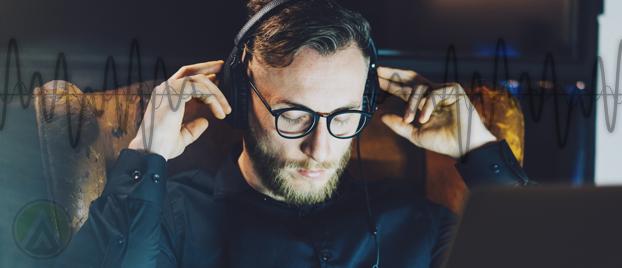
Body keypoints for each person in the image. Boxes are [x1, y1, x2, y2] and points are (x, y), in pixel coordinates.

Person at [54, 0, 533, 267]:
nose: (320, 147)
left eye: (344, 116)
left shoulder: (418, 226)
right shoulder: (169, 223)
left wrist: (479, 148)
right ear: (241, 100)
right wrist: (146, 153)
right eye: (294, 115)